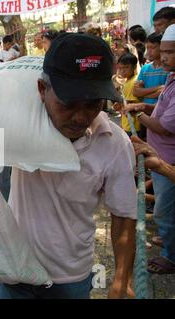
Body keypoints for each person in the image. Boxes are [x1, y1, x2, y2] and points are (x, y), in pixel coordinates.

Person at [0, 33, 137, 299]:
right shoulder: (14, 126)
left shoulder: (113, 143)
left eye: (94, 103)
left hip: (70, 279)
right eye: (68, 104)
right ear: (42, 90)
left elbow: (123, 215)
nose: (81, 117)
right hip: (14, 270)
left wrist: (122, 280)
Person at [124, 24, 175, 274]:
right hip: (160, 154)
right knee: (167, 208)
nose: (164, 56)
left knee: (165, 210)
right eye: (162, 51)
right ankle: (169, 240)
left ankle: (171, 256)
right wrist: (145, 108)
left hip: (168, 159)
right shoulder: (171, 78)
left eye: (170, 52)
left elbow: (166, 127)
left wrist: (138, 114)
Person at [133, 33, 168, 107]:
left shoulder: (168, 68)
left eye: (152, 47)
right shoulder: (145, 68)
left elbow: (165, 91)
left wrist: (145, 93)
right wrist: (158, 88)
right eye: (147, 48)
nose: (149, 51)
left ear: (162, 47)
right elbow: (136, 92)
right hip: (145, 109)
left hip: (163, 109)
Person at [113, 53, 142, 137]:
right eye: (120, 68)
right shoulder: (127, 81)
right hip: (127, 123)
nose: (122, 70)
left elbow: (130, 103)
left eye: (126, 67)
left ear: (134, 67)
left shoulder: (134, 82)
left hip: (133, 125)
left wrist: (119, 104)